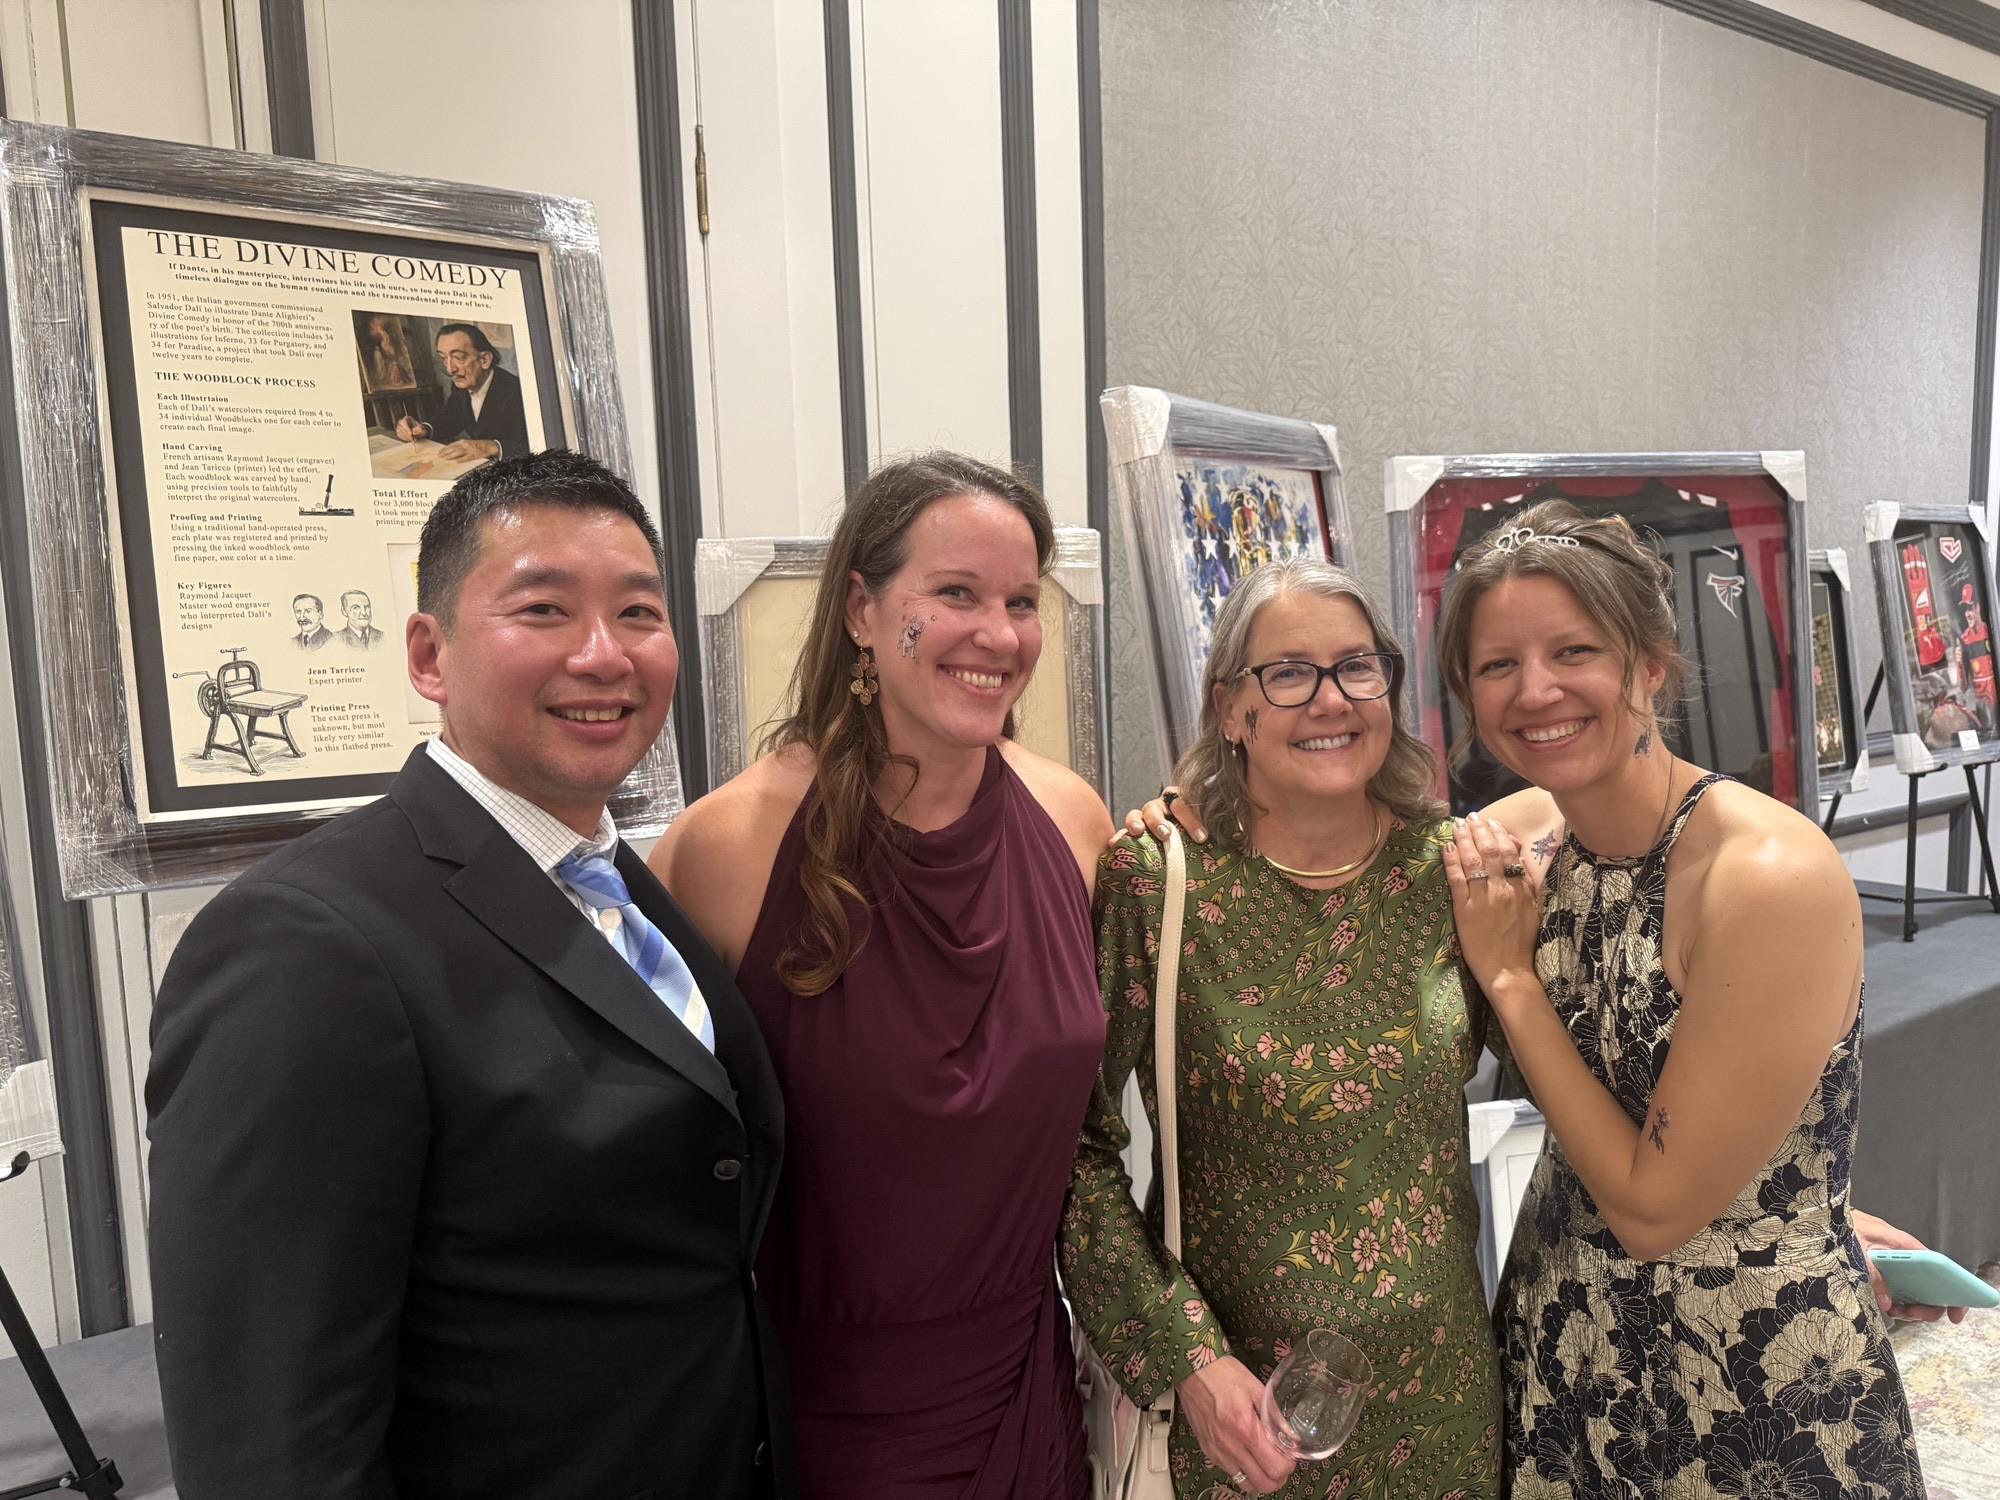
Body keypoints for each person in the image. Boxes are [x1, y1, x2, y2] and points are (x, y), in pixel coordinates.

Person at [147, 451, 794, 1499]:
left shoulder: (617, 879)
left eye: (637, 613)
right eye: (543, 610)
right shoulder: (305, 941)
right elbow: (268, 1435)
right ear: (428, 654)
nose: (604, 654)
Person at [1433, 500, 1926, 1497]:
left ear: (1650, 663)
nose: (1535, 690)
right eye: (1497, 664)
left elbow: (1654, 1213)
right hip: (1567, 1347)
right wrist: (1182, 817)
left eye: (1574, 650)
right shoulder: (1525, 835)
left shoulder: (1764, 874)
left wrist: (1512, 980)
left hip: (1752, 1373)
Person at [651, 452, 1112, 1498]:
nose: (999, 635)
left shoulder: (1073, 820)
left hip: (1024, 1396)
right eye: (955, 593)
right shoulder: (728, 850)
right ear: (861, 609)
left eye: (1020, 602)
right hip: (823, 1423)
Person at [1064, 559, 1503, 1499]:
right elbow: (1070, 1152)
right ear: (1232, 709)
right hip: (1244, 1425)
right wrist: (1187, 1359)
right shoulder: (1159, 884)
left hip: (1445, 1411)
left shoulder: (1451, 872)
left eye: (1357, 666)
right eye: (1289, 673)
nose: (1330, 699)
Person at [396, 321, 531, 461]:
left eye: (458, 358)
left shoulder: (518, 392)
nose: (450, 369)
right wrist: (424, 429)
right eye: (444, 358)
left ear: (484, 360)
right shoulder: (461, 382)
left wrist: (492, 447)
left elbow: (537, 447)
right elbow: (451, 417)